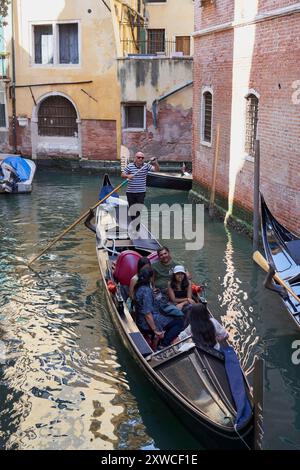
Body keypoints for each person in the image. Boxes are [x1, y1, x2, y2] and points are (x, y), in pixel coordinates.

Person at [134, 267, 184, 349]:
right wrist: (155, 330)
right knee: (179, 321)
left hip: (141, 318)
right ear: (150, 278)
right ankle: (164, 344)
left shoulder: (139, 287)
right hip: (146, 323)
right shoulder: (146, 291)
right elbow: (147, 314)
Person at [121, 151, 160, 231]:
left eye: (142, 158)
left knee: (138, 209)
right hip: (130, 192)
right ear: (135, 158)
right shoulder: (130, 166)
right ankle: (133, 223)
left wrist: (155, 163)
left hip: (141, 192)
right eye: (139, 157)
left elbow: (156, 170)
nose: (140, 159)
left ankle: (136, 227)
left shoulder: (146, 166)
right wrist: (128, 175)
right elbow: (122, 174)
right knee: (132, 209)